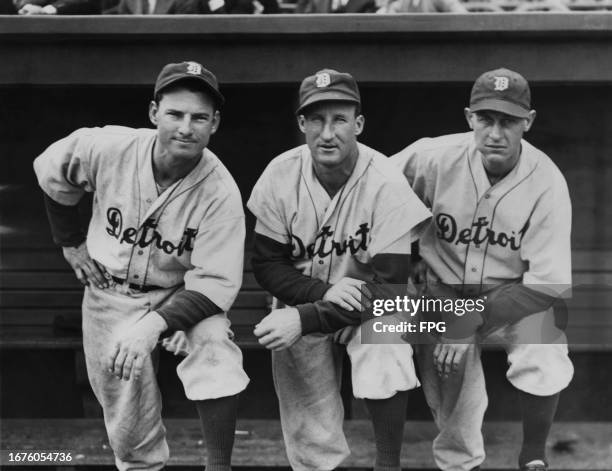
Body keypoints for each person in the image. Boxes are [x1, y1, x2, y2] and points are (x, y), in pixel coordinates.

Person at [33, 61, 249, 471]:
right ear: (154, 114)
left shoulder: (220, 191)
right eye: (175, 114)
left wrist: (158, 325)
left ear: (215, 123)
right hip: (109, 292)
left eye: (199, 117)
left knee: (215, 342)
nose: (186, 127)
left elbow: (215, 283)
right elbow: (52, 170)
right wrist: (69, 242)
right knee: (128, 423)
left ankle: (219, 466)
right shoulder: (109, 147)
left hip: (179, 293)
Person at [247, 69, 431, 471]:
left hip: (373, 299)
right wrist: (316, 297)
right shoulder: (280, 174)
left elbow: (392, 290)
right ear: (301, 124)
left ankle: (388, 464)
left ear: (359, 125)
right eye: (316, 119)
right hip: (302, 296)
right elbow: (265, 263)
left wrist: (308, 316)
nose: (327, 133)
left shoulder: (385, 182)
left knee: (386, 347)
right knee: (307, 412)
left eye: (339, 120)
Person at [391, 68, 574, 471]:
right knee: (449, 373)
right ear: (469, 117)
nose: (495, 132)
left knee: (544, 346)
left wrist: (468, 323)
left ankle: (534, 455)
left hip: (511, 297)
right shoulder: (432, 157)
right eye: (486, 119)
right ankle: (460, 465)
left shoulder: (547, 182)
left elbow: (548, 287)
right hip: (440, 294)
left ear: (528, 122)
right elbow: (372, 191)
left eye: (508, 121)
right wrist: (404, 259)